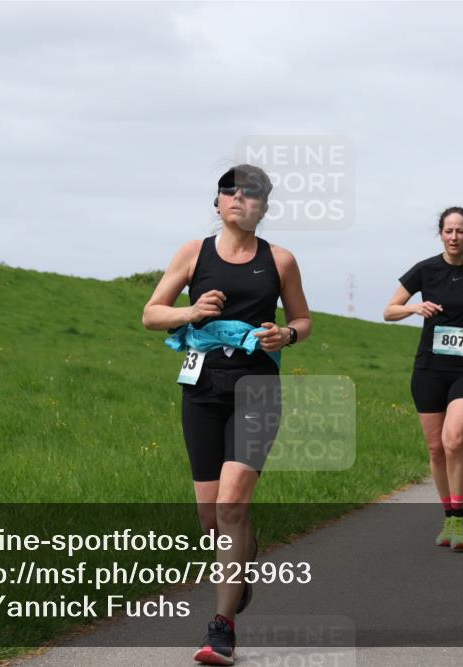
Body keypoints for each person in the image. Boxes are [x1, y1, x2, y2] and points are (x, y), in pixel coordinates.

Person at [142, 165, 312, 666]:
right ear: (217, 203)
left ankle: (222, 628)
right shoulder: (192, 254)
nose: (241, 198)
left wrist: (289, 334)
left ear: (264, 206)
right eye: (231, 191)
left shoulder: (279, 260)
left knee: (233, 503)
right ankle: (245, 554)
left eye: (253, 193)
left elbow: (303, 318)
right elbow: (151, 313)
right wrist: (191, 313)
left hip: (258, 390)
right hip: (201, 390)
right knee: (211, 515)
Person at [384, 206, 463, 551]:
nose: (454, 237)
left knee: (454, 440)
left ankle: (459, 519)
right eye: (448, 231)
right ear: (440, 233)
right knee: (436, 448)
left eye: (461, 231)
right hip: (429, 369)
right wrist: (414, 308)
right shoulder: (425, 270)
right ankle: (447, 517)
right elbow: (389, 310)